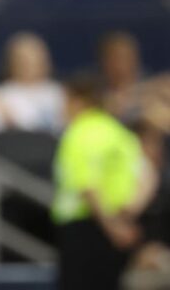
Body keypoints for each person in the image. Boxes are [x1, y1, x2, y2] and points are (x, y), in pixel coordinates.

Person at [52, 76, 147, 290]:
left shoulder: (79, 133)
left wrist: (113, 227)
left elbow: (87, 187)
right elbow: (146, 179)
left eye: (65, 101)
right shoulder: (121, 134)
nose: (62, 109)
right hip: (122, 226)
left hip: (87, 230)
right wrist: (125, 221)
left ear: (79, 101)